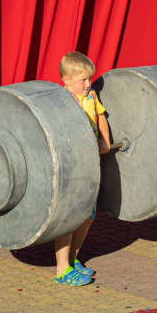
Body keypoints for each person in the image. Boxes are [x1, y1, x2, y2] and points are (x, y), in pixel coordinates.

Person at [53, 51, 111, 287]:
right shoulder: (60, 101)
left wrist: (104, 141)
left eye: (89, 79)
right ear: (66, 80)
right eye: (83, 80)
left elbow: (101, 116)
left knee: (87, 216)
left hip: (90, 164)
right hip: (72, 165)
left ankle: (74, 259)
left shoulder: (91, 96)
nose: (88, 84)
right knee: (69, 217)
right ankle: (62, 269)